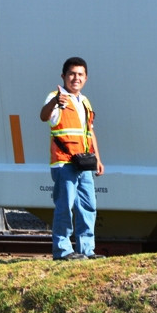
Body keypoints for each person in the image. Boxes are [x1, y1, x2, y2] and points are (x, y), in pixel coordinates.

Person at [40, 57, 105, 260]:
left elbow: (89, 132)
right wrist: (54, 102)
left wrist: (98, 159)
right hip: (64, 162)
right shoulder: (56, 98)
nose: (75, 78)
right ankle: (63, 250)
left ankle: (87, 249)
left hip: (83, 163)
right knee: (65, 206)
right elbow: (43, 116)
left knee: (88, 205)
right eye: (71, 74)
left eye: (80, 74)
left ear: (86, 78)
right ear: (63, 76)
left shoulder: (84, 101)